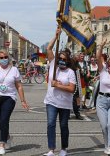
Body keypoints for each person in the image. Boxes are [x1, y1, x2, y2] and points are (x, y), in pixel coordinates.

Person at [0, 38, 29, 155]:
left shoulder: (14, 70)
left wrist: (23, 100)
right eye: (1, 58)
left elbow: (19, 86)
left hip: (9, 98)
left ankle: (2, 144)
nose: (3, 59)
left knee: (4, 119)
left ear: (8, 58)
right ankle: (7, 136)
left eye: (5, 57)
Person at [43, 28, 76, 156]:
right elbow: (49, 49)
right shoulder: (53, 65)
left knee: (63, 126)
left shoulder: (70, 72)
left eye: (63, 59)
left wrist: (58, 85)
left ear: (67, 61)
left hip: (64, 103)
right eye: (59, 58)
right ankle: (51, 149)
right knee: (51, 124)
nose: (61, 60)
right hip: (51, 101)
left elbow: (72, 89)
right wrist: (56, 36)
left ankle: (64, 148)